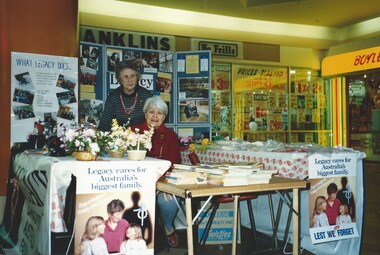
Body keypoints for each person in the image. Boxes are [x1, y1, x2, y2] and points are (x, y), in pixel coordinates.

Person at [131, 96, 181, 247]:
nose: (154, 116)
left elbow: (174, 163)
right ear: (145, 114)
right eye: (151, 112)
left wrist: (163, 186)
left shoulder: (171, 136)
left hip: (161, 181)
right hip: (136, 181)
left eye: (159, 113)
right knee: (138, 203)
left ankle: (167, 226)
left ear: (164, 117)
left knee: (170, 202)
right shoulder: (133, 131)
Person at [98, 60, 153, 131]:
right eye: (126, 77)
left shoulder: (146, 96)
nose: (129, 80)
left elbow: (154, 122)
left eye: (132, 76)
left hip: (143, 138)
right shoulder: (113, 97)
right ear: (120, 79)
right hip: (119, 139)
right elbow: (104, 124)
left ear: (137, 78)